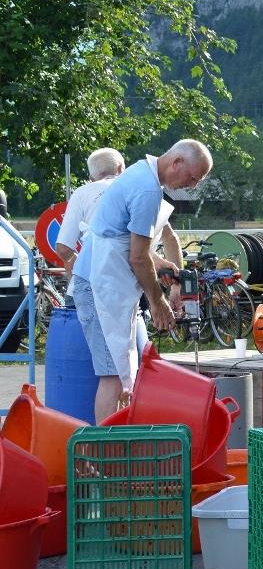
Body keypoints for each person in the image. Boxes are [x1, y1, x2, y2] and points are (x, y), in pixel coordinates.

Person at [73, 139, 213, 422]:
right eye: (193, 178)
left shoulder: (141, 173)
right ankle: (103, 457)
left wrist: (162, 266)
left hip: (109, 281)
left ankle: (118, 446)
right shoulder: (147, 189)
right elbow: (136, 258)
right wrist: (157, 301)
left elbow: (128, 244)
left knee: (126, 371)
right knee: (114, 374)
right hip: (97, 285)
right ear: (177, 162)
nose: (192, 186)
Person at [56, 148, 125, 283]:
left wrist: (79, 264)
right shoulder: (138, 190)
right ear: (121, 168)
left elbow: (63, 249)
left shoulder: (82, 193)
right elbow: (168, 235)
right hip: (130, 284)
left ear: (91, 179)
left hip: (90, 282)